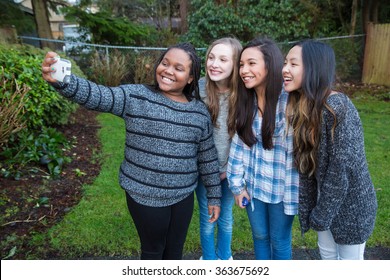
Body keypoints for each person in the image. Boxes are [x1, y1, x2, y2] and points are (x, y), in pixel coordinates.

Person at [41, 43, 222, 260]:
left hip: (183, 196)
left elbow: (207, 157)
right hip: (143, 194)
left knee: (174, 252)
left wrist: (214, 196)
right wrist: (64, 81)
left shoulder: (199, 112)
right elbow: (99, 95)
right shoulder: (136, 97)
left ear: (191, 78)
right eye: (165, 63)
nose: (168, 70)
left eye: (178, 68)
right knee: (153, 252)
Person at [283, 39, 377, 260]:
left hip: (350, 209)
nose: (284, 69)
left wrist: (321, 215)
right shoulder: (304, 108)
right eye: (285, 62)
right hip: (323, 207)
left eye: (293, 64)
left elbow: (341, 171)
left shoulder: (338, 108)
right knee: (327, 260)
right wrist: (317, 212)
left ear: (315, 68)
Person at [227, 37, 299, 260]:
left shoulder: (289, 102)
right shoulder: (244, 101)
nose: (244, 70)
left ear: (270, 65)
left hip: (282, 191)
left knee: (279, 241)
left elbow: (296, 154)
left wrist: (294, 196)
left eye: (251, 63)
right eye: (241, 64)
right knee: (259, 237)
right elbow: (238, 147)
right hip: (254, 189)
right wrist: (237, 187)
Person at [195, 37, 242, 260]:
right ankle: (209, 261)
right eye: (211, 57)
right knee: (207, 219)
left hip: (230, 171)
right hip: (203, 171)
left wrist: (230, 170)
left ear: (235, 64)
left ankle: (225, 258)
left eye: (223, 59)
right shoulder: (198, 90)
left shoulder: (243, 95)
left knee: (225, 218)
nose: (214, 63)